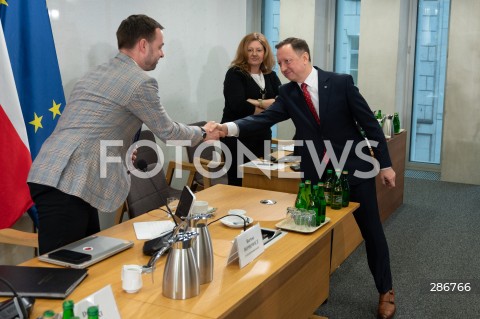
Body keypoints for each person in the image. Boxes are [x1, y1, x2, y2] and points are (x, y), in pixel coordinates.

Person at [217, 37, 396, 319]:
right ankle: (311, 291)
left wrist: (385, 165)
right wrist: (227, 128)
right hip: (315, 173)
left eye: (288, 61)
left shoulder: (341, 83)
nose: (284, 68)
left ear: (305, 58)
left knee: (372, 232)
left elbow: (370, 125)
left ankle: (385, 291)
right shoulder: (288, 93)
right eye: (280, 63)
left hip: (354, 169)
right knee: (307, 233)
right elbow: (263, 120)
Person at [27, 14, 222, 255]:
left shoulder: (95, 73)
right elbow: (169, 132)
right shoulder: (140, 82)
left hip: (61, 174)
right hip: (68, 182)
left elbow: (91, 128)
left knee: (87, 259)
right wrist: (203, 133)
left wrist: (120, 150)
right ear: (143, 45)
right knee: (61, 270)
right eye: (160, 47)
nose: (162, 54)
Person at [220, 32, 281, 186]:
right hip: (237, 139)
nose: (254, 54)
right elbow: (239, 107)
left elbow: (281, 103)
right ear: (243, 52)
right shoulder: (235, 74)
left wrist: (255, 102)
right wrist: (268, 105)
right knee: (239, 186)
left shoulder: (270, 76)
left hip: (262, 137)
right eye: (250, 50)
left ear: (265, 52)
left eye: (259, 50)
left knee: (262, 184)